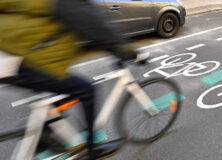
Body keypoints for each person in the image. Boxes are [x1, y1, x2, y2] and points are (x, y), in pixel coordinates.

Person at [0, 0, 144, 158]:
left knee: (65, 90)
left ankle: (43, 130)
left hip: (11, 59)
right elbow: (95, 26)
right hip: (22, 63)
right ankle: (92, 148)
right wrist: (128, 51)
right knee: (87, 90)